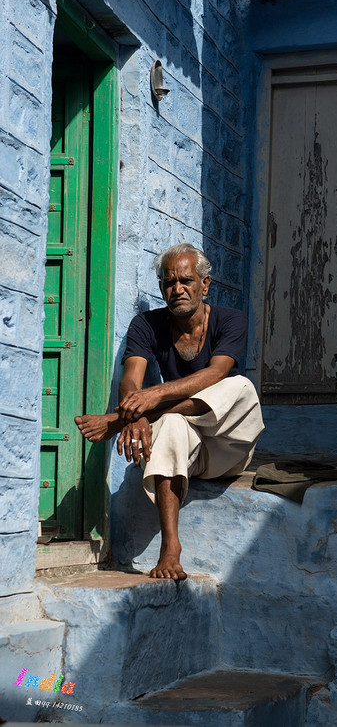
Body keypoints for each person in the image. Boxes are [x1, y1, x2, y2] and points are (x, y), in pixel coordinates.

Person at [75, 243, 264, 581]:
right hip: (186, 450)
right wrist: (137, 412)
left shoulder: (230, 320)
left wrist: (142, 406)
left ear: (204, 285)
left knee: (241, 388)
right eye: (168, 282)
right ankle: (170, 548)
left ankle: (119, 421)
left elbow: (216, 373)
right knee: (173, 424)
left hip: (227, 447)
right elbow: (131, 380)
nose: (177, 289)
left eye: (186, 281)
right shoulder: (146, 325)